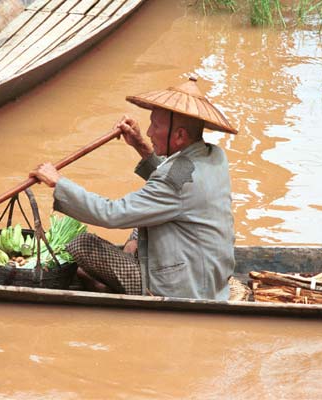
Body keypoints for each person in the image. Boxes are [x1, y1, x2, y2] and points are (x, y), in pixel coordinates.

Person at [30, 77, 238, 300]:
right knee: (138, 226)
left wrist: (57, 182)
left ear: (179, 136)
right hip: (211, 276)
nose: (148, 132)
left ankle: (122, 293)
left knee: (82, 244)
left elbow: (112, 213)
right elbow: (175, 185)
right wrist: (141, 145)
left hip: (183, 287)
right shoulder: (212, 156)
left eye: (155, 126)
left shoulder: (176, 180)